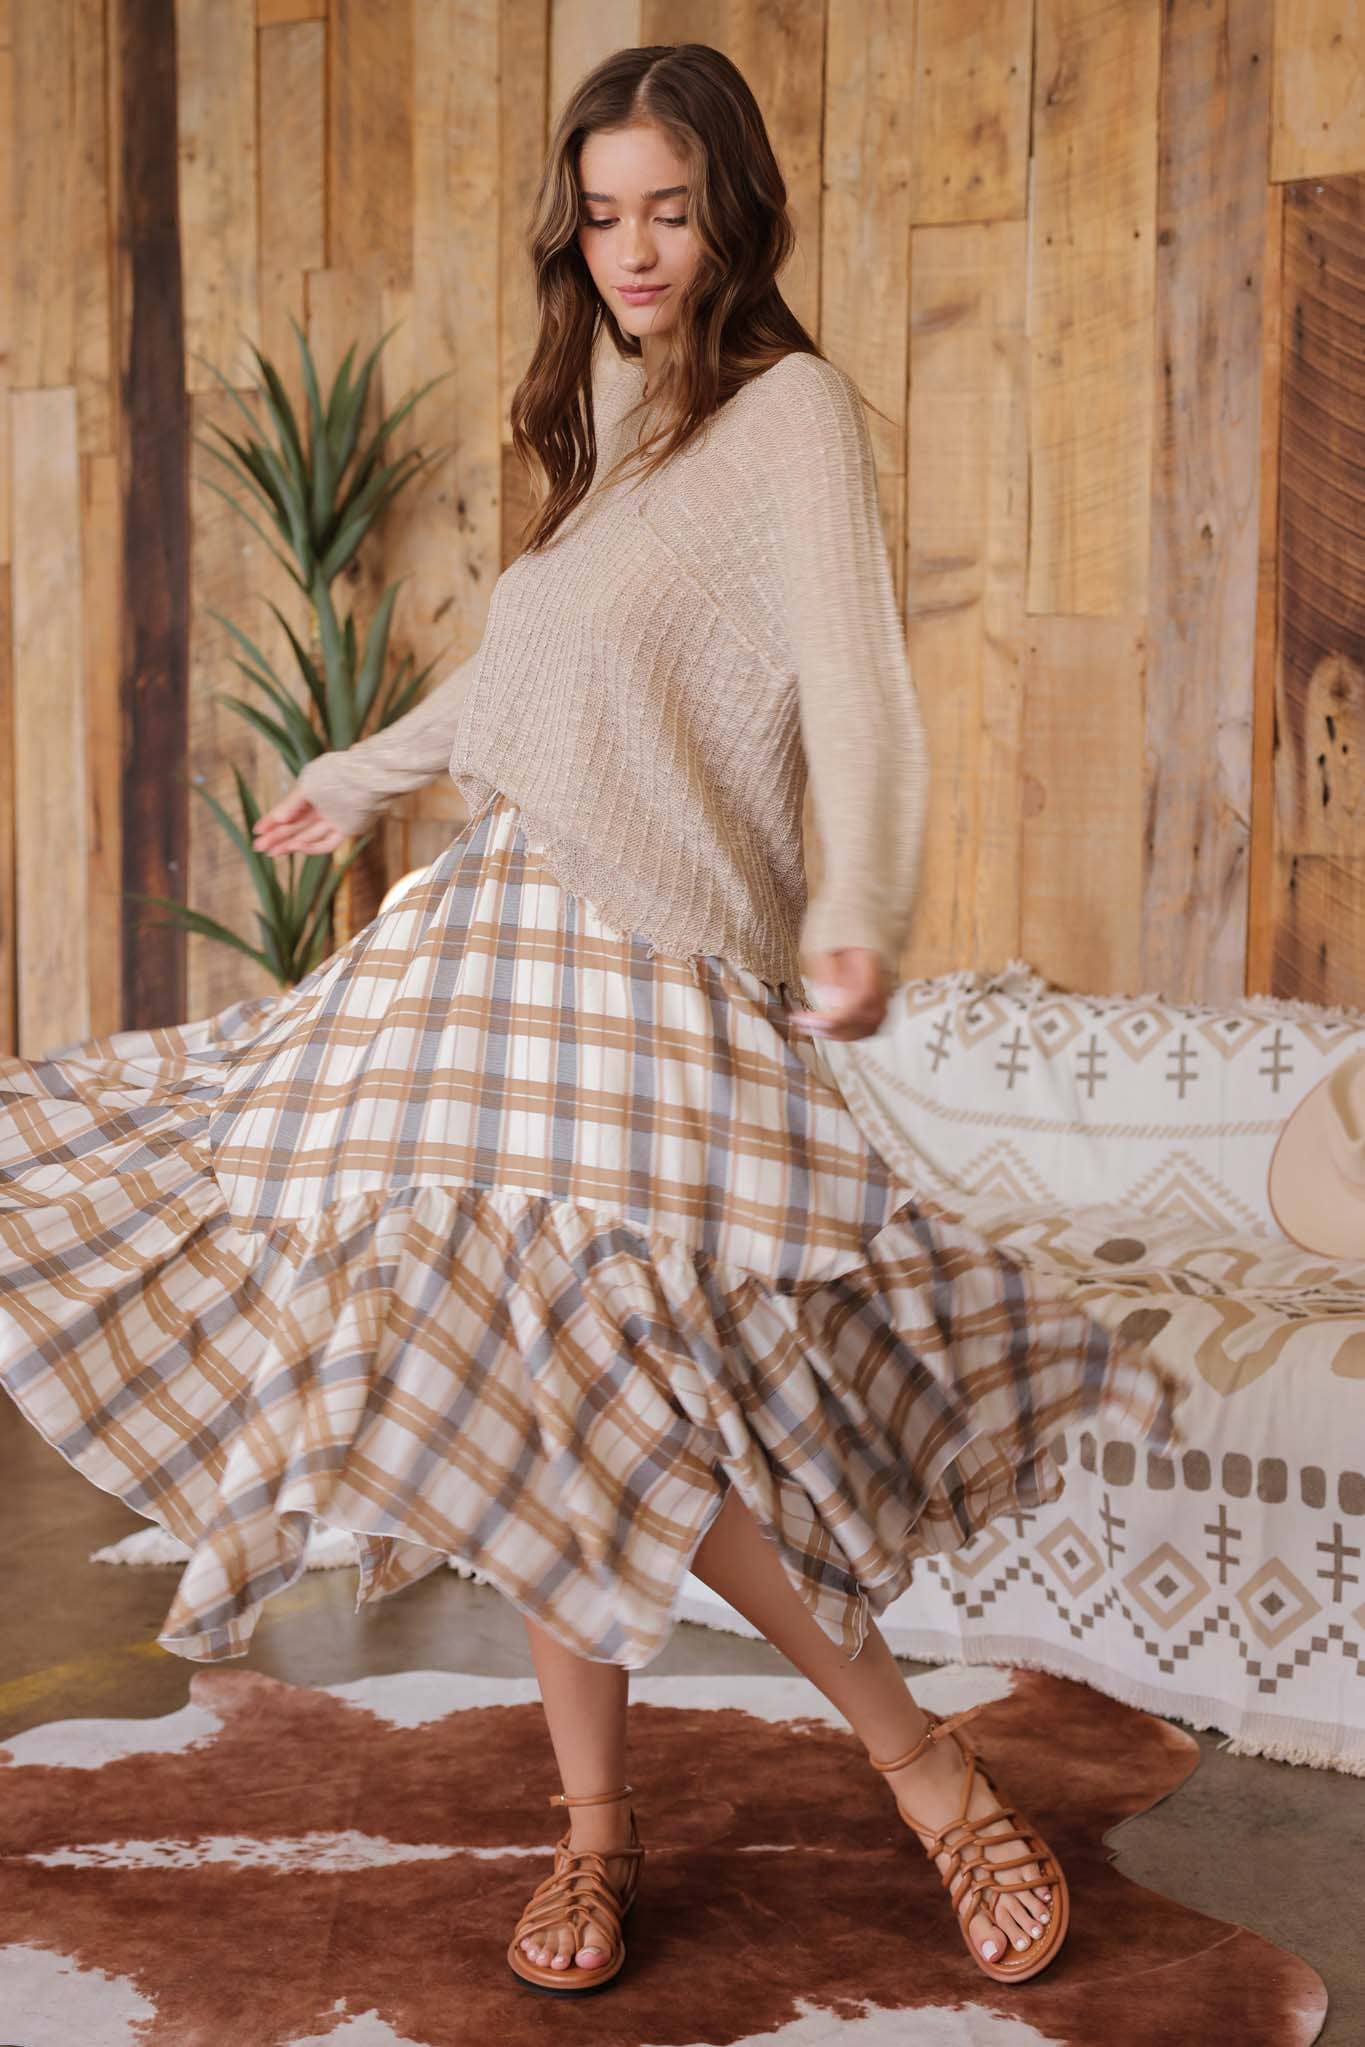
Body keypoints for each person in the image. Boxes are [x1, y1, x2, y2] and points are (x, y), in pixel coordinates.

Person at [0, 42, 1186, 2001]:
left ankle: (914, 1763)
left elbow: (857, 687)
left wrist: (857, 908)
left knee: (603, 1388)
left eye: (667, 206)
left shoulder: (794, 413)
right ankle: (613, 1827)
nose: (632, 248)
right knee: (549, 1375)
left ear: (731, 204)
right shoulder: (616, 413)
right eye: (602, 211)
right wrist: (370, 771)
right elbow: (516, 676)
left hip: (648, 965)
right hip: (494, 938)